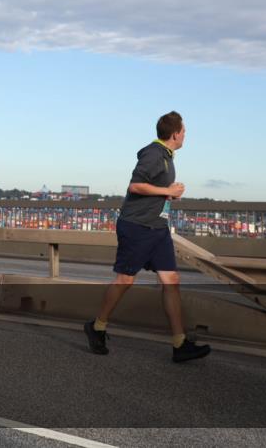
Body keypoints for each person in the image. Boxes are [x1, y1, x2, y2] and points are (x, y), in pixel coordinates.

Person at [83, 111, 211, 363]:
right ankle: (97, 326)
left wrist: (169, 195)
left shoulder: (166, 156)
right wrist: (167, 190)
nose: (186, 135)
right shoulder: (154, 154)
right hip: (138, 227)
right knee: (125, 280)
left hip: (158, 229)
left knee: (171, 280)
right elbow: (135, 186)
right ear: (175, 134)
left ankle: (179, 343)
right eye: (184, 131)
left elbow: (152, 191)